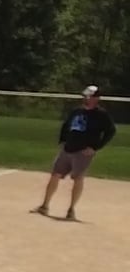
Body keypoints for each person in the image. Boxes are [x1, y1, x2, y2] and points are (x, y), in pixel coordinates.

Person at [33, 86, 116, 222]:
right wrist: (62, 141)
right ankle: (44, 206)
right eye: (85, 96)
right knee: (55, 175)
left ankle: (71, 210)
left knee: (78, 179)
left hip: (83, 153)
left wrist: (96, 147)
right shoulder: (77, 111)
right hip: (67, 149)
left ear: (96, 98)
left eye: (88, 97)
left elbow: (111, 131)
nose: (85, 99)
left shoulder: (101, 115)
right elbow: (66, 125)